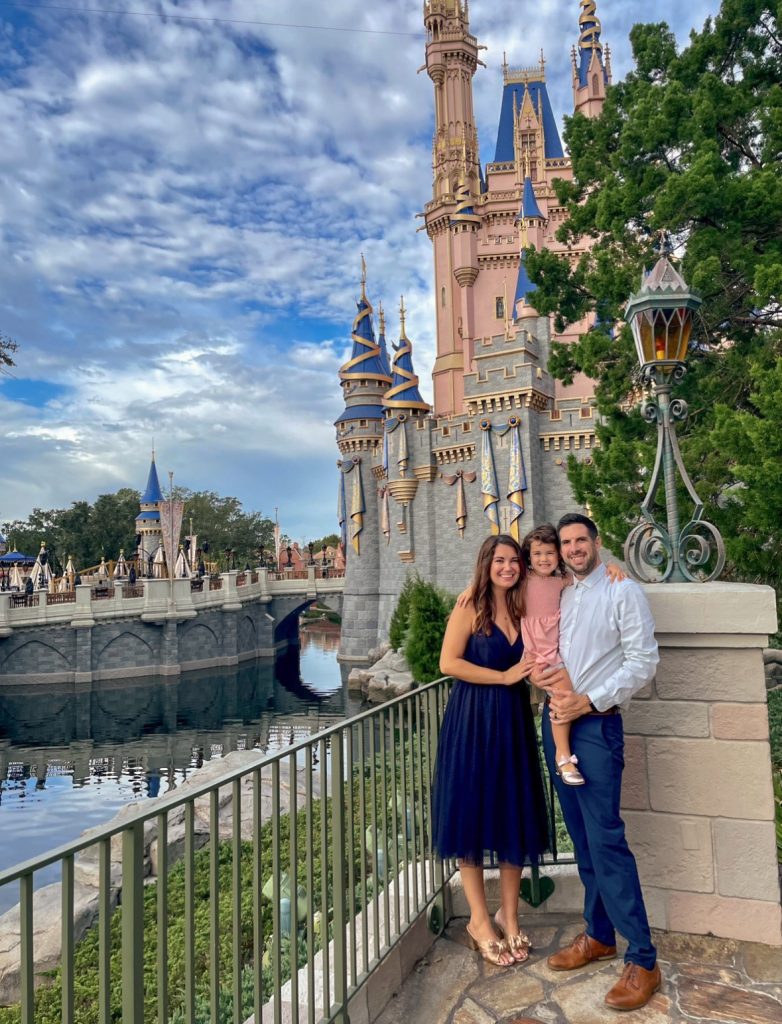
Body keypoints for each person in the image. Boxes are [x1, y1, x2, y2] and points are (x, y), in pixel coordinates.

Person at [534, 513, 661, 1011]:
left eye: (579, 540)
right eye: (565, 542)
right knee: (583, 840)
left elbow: (643, 661)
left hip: (595, 726)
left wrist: (588, 700)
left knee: (606, 842)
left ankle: (643, 959)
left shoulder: (621, 591)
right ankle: (599, 935)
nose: (572, 548)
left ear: (596, 542)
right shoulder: (563, 592)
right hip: (558, 725)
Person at [431, 534, 552, 967]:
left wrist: (611, 570)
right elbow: (448, 663)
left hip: (512, 721)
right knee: (471, 814)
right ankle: (479, 920)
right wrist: (502, 677)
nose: (508, 567)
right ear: (486, 564)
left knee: (512, 812)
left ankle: (510, 916)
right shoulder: (470, 606)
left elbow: (559, 582)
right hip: (472, 719)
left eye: (514, 561)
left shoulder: (523, 606)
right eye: (499, 560)